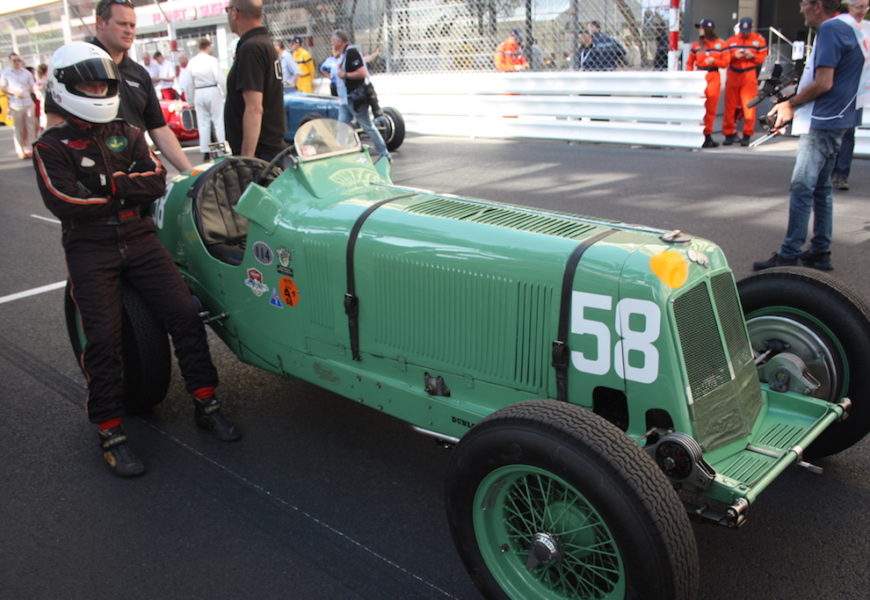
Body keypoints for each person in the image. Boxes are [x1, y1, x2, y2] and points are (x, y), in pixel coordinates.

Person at [32, 41, 241, 478]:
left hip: (140, 238)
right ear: (65, 86)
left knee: (185, 314)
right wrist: (124, 187)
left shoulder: (127, 131)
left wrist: (110, 187)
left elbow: (156, 179)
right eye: (87, 82)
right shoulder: (51, 145)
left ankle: (207, 403)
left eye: (102, 82)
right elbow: (65, 200)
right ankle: (110, 432)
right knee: (104, 339)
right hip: (90, 247)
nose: (96, 89)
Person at [753, 0, 865, 272]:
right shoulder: (855, 28)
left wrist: (790, 104)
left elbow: (824, 82)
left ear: (818, 6)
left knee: (802, 186)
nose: (801, 10)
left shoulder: (830, 30)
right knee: (821, 187)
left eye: (804, 4)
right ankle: (820, 250)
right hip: (842, 116)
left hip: (825, 119)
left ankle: (789, 252)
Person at [45, 0, 192, 172]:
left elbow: (158, 128)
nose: (129, 30)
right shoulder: (74, 66)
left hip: (136, 180)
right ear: (100, 23)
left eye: (132, 25)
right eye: (122, 24)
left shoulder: (139, 73)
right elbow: (55, 128)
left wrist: (191, 174)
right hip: (90, 178)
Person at [224, 0, 287, 160]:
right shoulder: (264, 44)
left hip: (260, 153)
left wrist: (246, 161)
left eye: (227, 10)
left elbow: (254, 109)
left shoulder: (251, 48)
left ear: (234, 12)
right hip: (268, 149)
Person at [332, 28, 390, 162]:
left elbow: (362, 73)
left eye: (334, 40)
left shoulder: (351, 52)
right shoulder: (342, 55)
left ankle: (384, 153)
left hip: (355, 98)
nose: (332, 43)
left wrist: (345, 75)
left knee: (367, 126)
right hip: (345, 100)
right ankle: (338, 156)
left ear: (340, 41)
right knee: (342, 127)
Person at [831, 0, 869, 190]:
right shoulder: (837, 26)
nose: (863, 11)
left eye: (866, 7)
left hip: (857, 89)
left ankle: (841, 173)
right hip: (836, 89)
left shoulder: (866, 29)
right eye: (859, 7)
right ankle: (830, 171)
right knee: (831, 132)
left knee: (849, 133)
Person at [723, 17, 769, 146]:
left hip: (749, 74)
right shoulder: (731, 41)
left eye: (747, 30)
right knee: (730, 107)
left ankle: (747, 135)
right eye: (743, 30)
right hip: (733, 74)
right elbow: (724, 58)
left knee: (749, 106)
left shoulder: (758, 40)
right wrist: (733, 56)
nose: (745, 33)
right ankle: (729, 134)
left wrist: (752, 56)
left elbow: (765, 58)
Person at [181, 38, 226, 162]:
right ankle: (221, 149)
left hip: (199, 92)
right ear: (208, 46)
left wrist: (190, 101)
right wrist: (225, 93)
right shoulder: (212, 60)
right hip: (212, 89)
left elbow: (188, 84)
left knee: (203, 123)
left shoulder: (192, 62)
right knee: (218, 121)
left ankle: (206, 150)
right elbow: (220, 79)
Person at [686, 19, 729, 148]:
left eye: (702, 28)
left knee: (711, 108)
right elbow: (689, 63)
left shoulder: (721, 44)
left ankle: (707, 135)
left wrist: (714, 61)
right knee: (699, 107)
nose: (700, 30)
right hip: (699, 76)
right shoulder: (696, 46)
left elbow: (726, 62)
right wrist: (690, 76)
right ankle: (696, 133)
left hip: (713, 76)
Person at [0, 52, 36, 159]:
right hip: (15, 104)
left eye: (18, 60)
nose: (16, 63)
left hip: (28, 103)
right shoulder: (6, 73)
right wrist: (14, 92)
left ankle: (30, 148)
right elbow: (3, 87)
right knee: (18, 128)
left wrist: (27, 92)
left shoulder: (26, 73)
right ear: (10, 61)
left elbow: (32, 85)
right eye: (14, 60)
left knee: (30, 127)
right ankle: (20, 150)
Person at [34, 63, 49, 134]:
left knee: (44, 123)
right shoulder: (48, 81)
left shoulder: (37, 83)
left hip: (43, 103)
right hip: (48, 102)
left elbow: (38, 96)